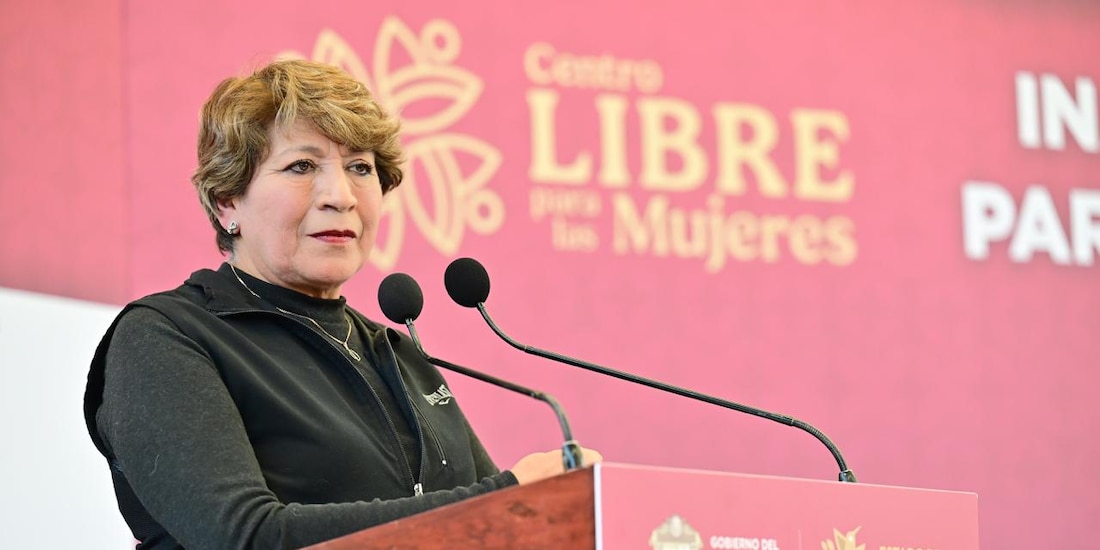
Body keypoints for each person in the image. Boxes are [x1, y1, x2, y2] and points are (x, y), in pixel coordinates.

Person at [82, 59, 601, 549]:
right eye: (301, 166)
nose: (341, 195)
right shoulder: (168, 336)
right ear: (227, 201)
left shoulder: (397, 353)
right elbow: (245, 537)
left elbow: (496, 531)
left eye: (360, 167)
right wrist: (506, 499)